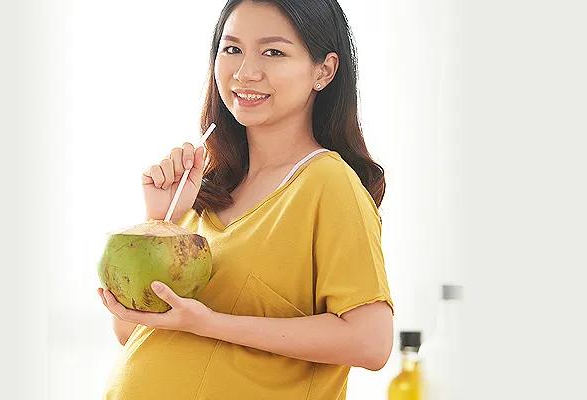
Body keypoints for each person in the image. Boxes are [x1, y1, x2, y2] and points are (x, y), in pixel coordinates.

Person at [97, 0, 394, 398]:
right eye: (232, 49)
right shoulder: (205, 188)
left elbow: (370, 342)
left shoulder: (328, 182)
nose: (245, 72)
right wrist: (161, 222)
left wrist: (209, 323)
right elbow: (129, 330)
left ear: (323, 71)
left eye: (273, 52)